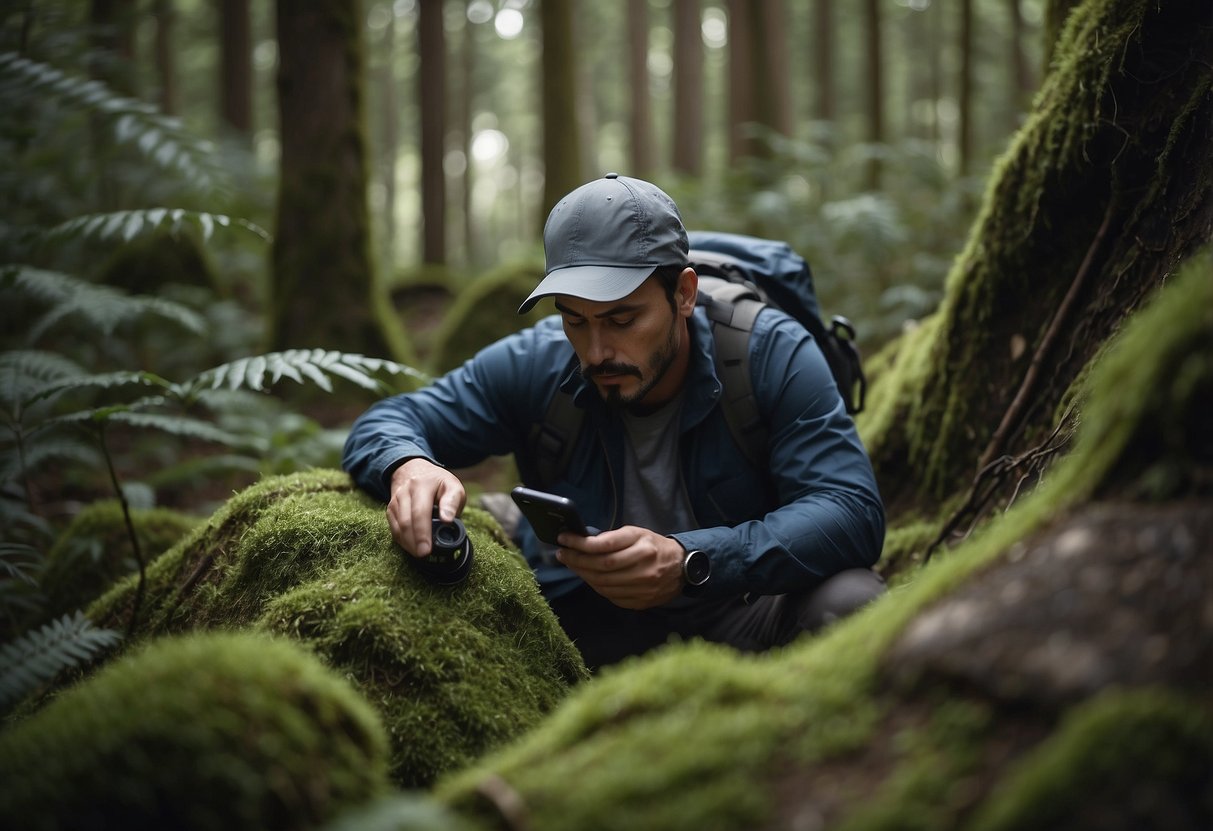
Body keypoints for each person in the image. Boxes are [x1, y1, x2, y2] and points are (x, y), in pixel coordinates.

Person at [343, 173, 886, 670]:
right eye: (575, 320)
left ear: (684, 294)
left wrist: (692, 560)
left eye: (622, 319)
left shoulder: (770, 352)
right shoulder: (538, 361)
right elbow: (391, 419)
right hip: (588, 619)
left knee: (852, 605)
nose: (597, 350)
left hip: (741, 608)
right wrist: (408, 465)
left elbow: (850, 510)